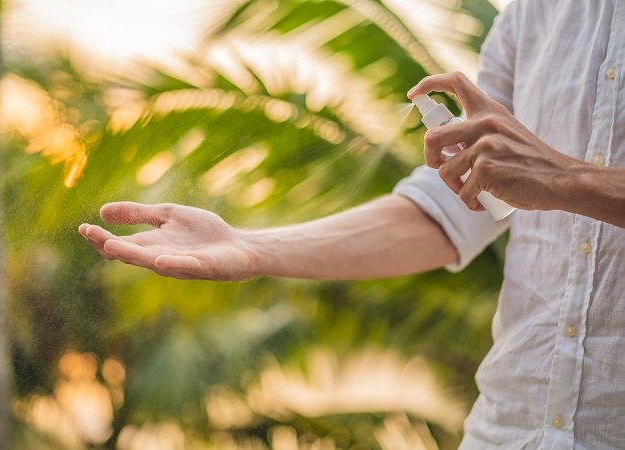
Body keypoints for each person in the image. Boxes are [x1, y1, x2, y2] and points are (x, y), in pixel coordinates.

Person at [79, 0, 625, 448]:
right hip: (508, 432)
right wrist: (252, 247)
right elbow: (449, 209)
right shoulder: (533, 15)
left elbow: (544, 178)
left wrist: (568, 180)